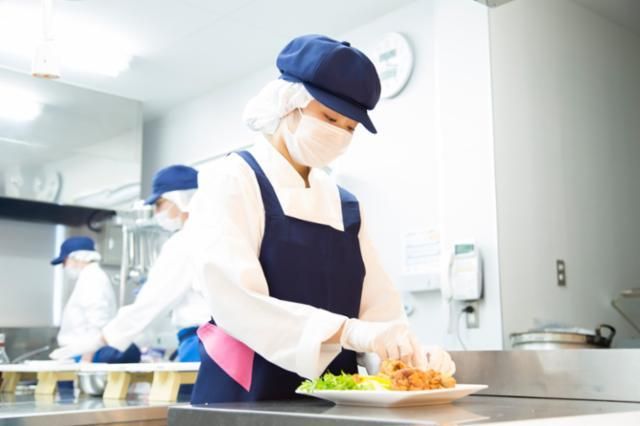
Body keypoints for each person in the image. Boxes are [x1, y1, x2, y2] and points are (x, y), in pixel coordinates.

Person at [186, 34, 455, 403]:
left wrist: (407, 354)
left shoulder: (344, 204)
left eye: (350, 127)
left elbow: (377, 307)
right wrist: (348, 332)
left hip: (332, 398)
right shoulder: (232, 179)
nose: (338, 134)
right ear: (289, 104)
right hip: (244, 392)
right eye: (329, 117)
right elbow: (235, 299)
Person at [50, 166, 211, 363]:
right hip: (216, 343)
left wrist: (102, 339)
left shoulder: (184, 242)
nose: (156, 212)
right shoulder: (217, 234)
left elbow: (151, 302)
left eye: (159, 204)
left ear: (181, 198)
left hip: (203, 343)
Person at [49, 236, 140, 363]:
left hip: (85, 354)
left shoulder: (92, 279)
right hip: (79, 353)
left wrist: (86, 360)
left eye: (64, 262)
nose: (64, 267)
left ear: (76, 258)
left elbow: (97, 322)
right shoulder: (90, 277)